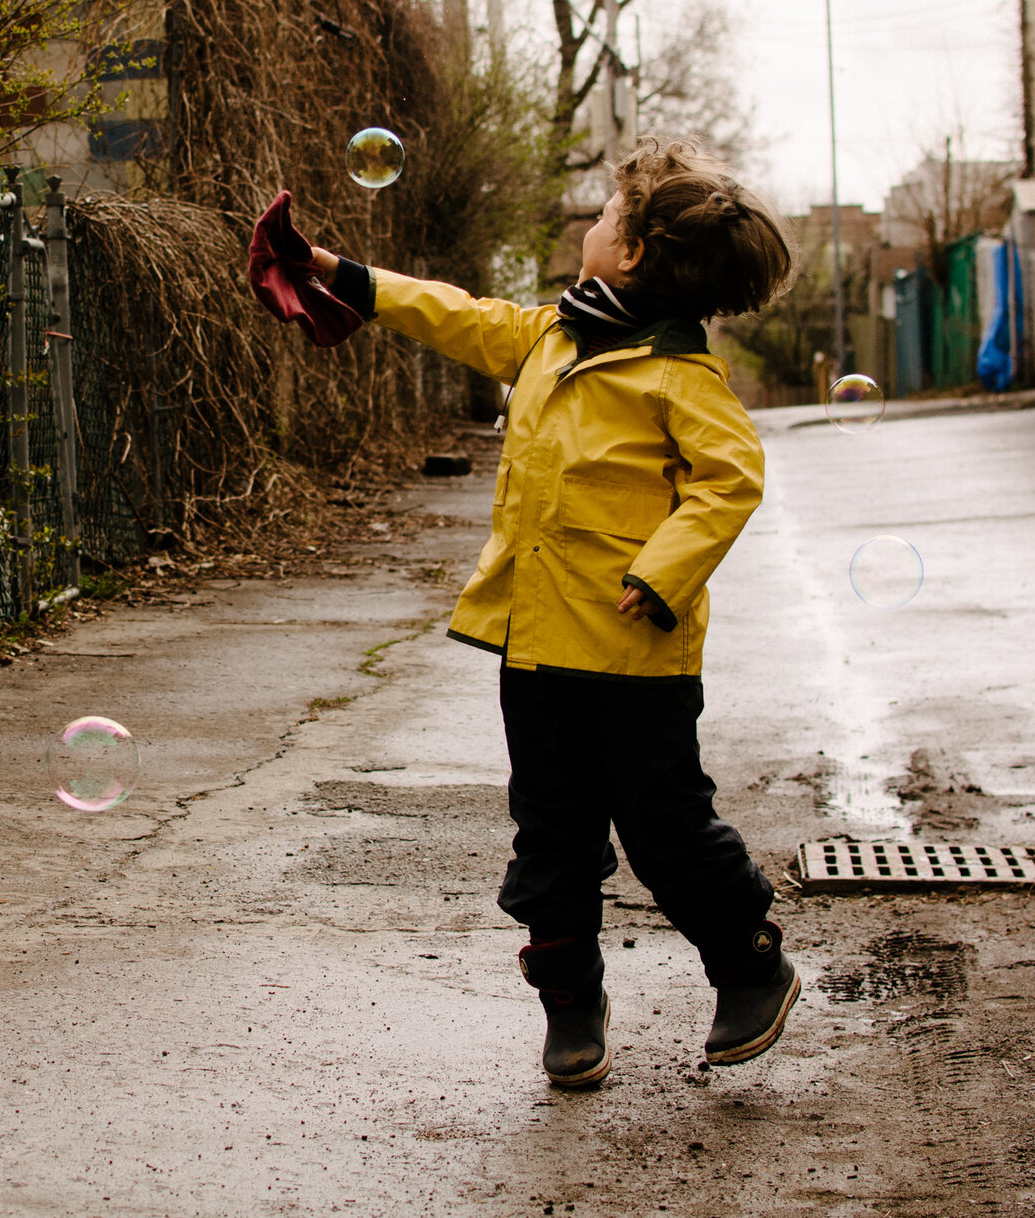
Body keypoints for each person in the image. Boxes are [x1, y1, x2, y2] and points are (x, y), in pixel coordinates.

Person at [264, 137, 797, 1089]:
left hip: (638, 659)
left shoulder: (682, 379)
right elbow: (454, 313)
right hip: (538, 649)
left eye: (603, 218)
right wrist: (333, 269)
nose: (590, 227)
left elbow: (731, 482)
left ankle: (750, 965)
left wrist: (663, 573)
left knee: (667, 831)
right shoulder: (550, 335)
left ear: (632, 254)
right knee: (550, 834)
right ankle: (569, 1001)